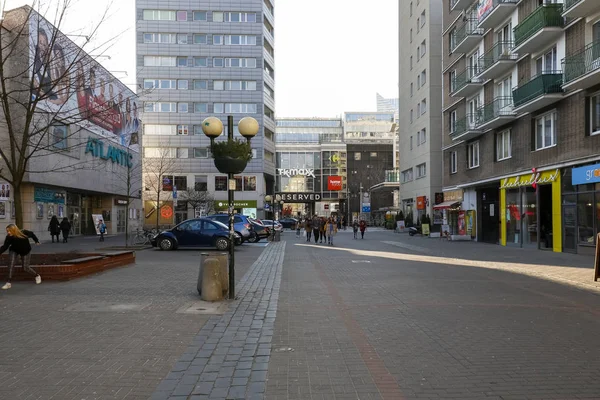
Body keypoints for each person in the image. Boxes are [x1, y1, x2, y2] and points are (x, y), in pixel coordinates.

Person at [0, 224, 41, 290]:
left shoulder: (24, 232)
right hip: (14, 250)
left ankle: (37, 275)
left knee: (25, 267)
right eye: (7, 231)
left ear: (14, 230)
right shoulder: (9, 237)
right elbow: (5, 247)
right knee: (11, 264)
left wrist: (36, 241)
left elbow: (32, 234)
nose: (8, 233)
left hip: (25, 251)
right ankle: (8, 283)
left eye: (10, 231)